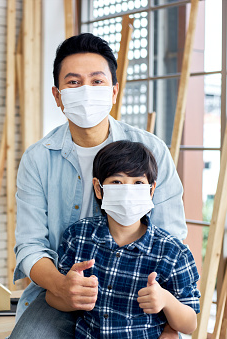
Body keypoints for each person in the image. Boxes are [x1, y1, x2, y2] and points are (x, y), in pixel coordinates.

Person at [10, 33, 187, 338]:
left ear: (114, 91)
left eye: (97, 81)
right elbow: (30, 245)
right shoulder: (38, 159)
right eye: (74, 82)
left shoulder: (152, 150)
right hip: (60, 292)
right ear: (57, 95)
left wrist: (171, 326)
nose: (86, 91)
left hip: (136, 294)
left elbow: (173, 239)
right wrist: (61, 285)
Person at [48, 140, 200, 338]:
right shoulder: (78, 237)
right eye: (117, 182)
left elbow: (189, 324)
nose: (128, 190)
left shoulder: (173, 252)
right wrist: (70, 297)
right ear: (98, 188)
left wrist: (166, 300)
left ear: (151, 190)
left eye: (138, 183)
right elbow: (53, 297)